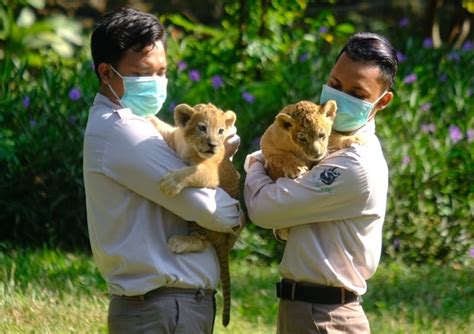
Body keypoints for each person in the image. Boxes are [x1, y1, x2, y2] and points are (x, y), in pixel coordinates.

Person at [83, 8, 242, 334]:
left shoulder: (135, 125)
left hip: (169, 305)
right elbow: (208, 210)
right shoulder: (123, 131)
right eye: (145, 72)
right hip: (161, 308)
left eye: (163, 71)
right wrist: (237, 211)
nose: (157, 82)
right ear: (106, 73)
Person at [244, 32, 398, 333]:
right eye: (335, 85)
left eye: (357, 93)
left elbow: (263, 209)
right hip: (303, 309)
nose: (340, 98)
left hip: (326, 316)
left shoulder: (355, 164)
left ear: (382, 102)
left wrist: (255, 163)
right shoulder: (330, 145)